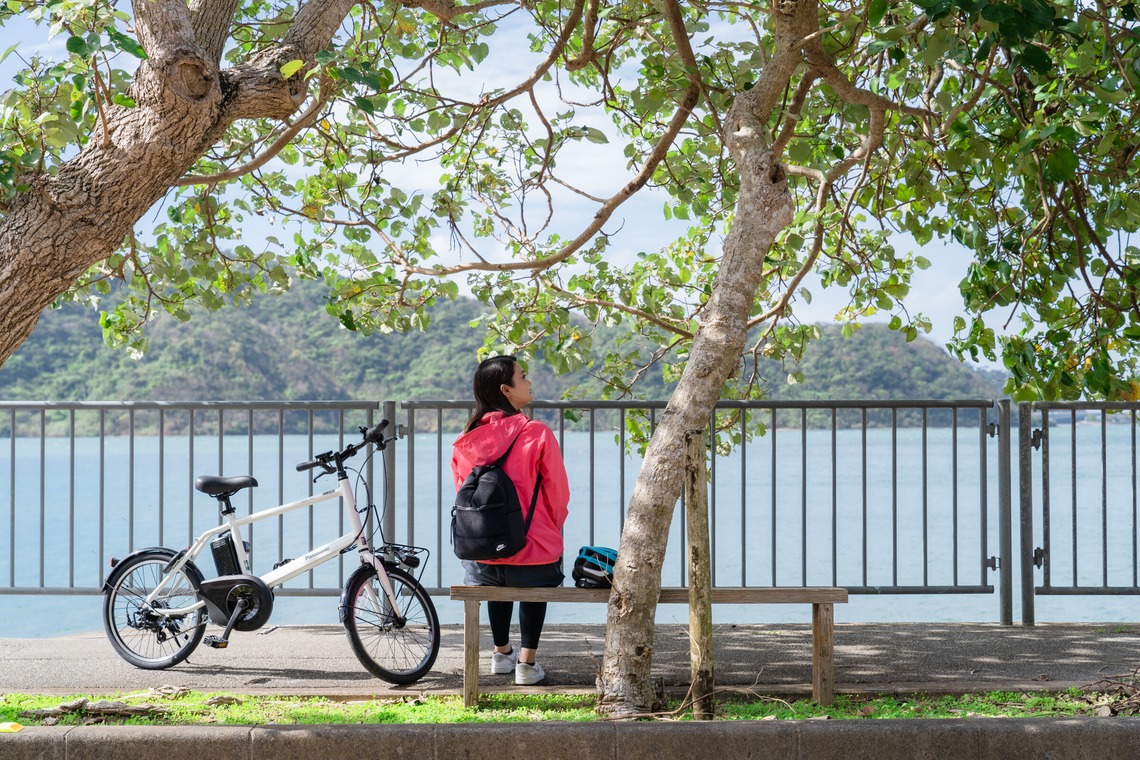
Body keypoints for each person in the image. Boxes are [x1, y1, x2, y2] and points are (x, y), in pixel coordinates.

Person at [451, 355, 570, 685]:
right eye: (523, 377)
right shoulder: (536, 433)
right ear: (506, 389)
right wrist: (552, 526)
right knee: (539, 573)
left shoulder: (467, 440)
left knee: (493, 575)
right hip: (533, 550)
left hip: (482, 550)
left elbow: (462, 489)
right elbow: (557, 492)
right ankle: (527, 664)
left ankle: (501, 653)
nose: (529, 382)